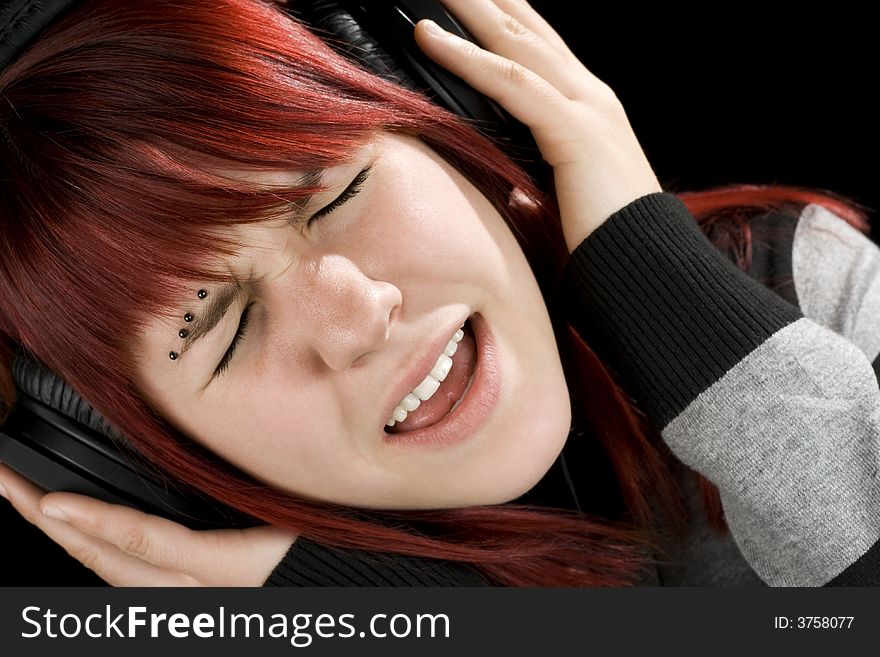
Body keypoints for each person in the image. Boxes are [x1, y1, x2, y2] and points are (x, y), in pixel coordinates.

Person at [0, 0, 877, 587]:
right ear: (147, 457)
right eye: (223, 330)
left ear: (446, 117)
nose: (353, 317)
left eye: (338, 195)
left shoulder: (804, 296)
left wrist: (682, 309)